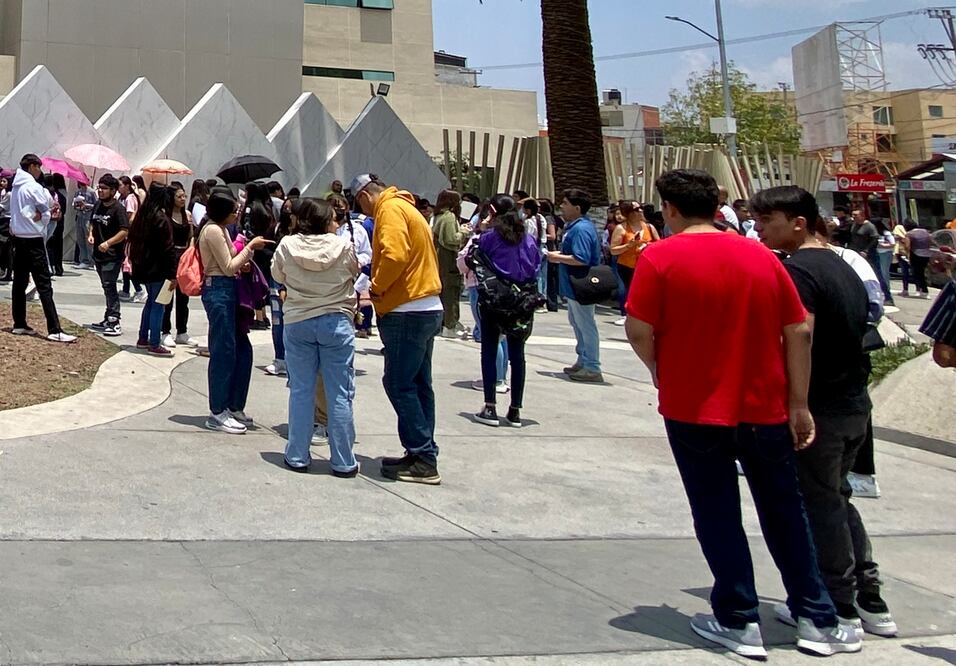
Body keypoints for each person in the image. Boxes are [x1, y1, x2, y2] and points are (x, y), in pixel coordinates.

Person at [625, 169, 857, 658]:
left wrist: (658, 369)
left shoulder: (660, 257)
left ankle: (738, 617)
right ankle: (815, 614)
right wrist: (798, 402)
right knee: (785, 509)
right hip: (765, 406)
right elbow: (798, 331)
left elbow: (638, 327)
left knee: (716, 511)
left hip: (694, 405)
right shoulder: (762, 256)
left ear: (668, 209)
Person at [753, 185, 898, 640]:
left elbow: (800, 336)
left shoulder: (799, 271)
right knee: (836, 498)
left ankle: (838, 609)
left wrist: (797, 404)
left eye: (768, 221)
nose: (759, 229)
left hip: (822, 407)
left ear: (798, 222)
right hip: (854, 404)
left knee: (819, 506)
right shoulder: (844, 262)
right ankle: (867, 596)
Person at [351, 173, 442, 485]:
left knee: (398, 383)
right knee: (418, 384)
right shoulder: (406, 207)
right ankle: (421, 451)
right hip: (426, 305)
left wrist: (376, 287)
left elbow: (394, 254)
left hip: (405, 308)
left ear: (365, 195)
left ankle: (423, 456)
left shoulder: (388, 209)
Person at [271, 197, 360, 477]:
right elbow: (354, 272)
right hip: (336, 320)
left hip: (298, 320)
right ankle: (343, 460)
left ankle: (297, 454)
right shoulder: (343, 245)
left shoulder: (287, 244)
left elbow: (277, 274)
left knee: (301, 390)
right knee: (339, 393)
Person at [198, 188, 273, 434]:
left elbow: (232, 259)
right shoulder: (212, 231)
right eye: (233, 211)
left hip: (228, 290)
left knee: (240, 349)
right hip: (219, 289)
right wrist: (249, 248)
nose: (236, 214)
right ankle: (217, 410)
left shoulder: (221, 230)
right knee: (223, 350)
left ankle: (232, 404)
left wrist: (244, 250)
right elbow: (229, 266)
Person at [470, 194, 541, 428]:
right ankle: (515, 410)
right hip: (522, 301)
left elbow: (473, 259)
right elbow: (535, 266)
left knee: (489, 350)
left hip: (495, 300)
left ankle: (490, 406)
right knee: (517, 355)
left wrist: (480, 230)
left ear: (492, 211)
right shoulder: (528, 239)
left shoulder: (489, 237)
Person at [9, 154, 75, 342]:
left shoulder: (15, 188)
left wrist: (40, 214)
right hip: (33, 239)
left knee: (19, 283)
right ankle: (54, 329)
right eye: (38, 167)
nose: (40, 171)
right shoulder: (32, 187)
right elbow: (47, 207)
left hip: (19, 238)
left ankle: (19, 322)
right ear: (31, 167)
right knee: (44, 284)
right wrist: (43, 215)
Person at [547, 188, 603, 383]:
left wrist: (556, 257)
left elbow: (581, 258)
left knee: (585, 324)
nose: (562, 207)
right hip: (573, 285)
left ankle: (592, 365)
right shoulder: (577, 226)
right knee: (578, 323)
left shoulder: (580, 229)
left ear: (577, 208)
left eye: (565, 203)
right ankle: (583, 359)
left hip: (581, 285)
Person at [128, 184, 178, 356]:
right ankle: (155, 343)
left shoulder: (143, 216)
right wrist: (173, 274)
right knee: (159, 306)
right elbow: (168, 249)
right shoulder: (162, 219)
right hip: (159, 269)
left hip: (144, 267)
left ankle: (143, 337)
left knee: (150, 303)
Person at [87, 175, 130, 337]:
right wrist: (90, 234)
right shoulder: (98, 205)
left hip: (113, 255)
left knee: (110, 285)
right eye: (99, 187)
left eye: (104, 188)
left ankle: (114, 321)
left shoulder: (118, 209)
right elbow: (92, 222)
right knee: (106, 286)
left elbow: (124, 231)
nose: (100, 191)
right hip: (98, 254)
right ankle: (107, 318)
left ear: (113, 191)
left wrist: (108, 243)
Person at [609, 200, 659, 326]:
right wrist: (629, 245)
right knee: (626, 290)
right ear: (629, 213)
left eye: (641, 208)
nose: (641, 211)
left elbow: (659, 244)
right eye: (637, 209)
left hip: (645, 266)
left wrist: (648, 245)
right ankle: (626, 314)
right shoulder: (621, 228)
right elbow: (613, 250)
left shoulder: (649, 227)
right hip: (627, 265)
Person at [161, 183, 197, 348]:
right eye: (179, 196)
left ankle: (182, 331)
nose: (183, 199)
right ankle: (165, 331)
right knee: (167, 297)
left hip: (184, 257)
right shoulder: (164, 214)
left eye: (184, 196)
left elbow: (191, 235)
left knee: (184, 297)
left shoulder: (187, 215)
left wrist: (190, 249)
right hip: (169, 257)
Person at [432, 189, 469, 338]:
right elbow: (451, 239)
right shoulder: (449, 217)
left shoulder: (439, 216)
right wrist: (464, 232)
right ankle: (450, 325)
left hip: (440, 261)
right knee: (450, 293)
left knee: (444, 292)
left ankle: (443, 324)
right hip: (448, 260)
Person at [118, 176, 146, 303]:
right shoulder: (127, 198)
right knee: (125, 265)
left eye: (120, 185)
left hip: (129, 235)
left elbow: (129, 216)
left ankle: (138, 289)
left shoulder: (130, 199)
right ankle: (125, 289)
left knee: (127, 264)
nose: (119, 188)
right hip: (129, 234)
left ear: (127, 185)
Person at [901, 221, 932, 299]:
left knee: (918, 273)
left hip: (916, 254)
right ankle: (923, 290)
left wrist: (907, 255)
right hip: (927, 254)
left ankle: (924, 291)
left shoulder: (909, 234)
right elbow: (931, 241)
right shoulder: (925, 231)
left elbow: (907, 246)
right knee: (922, 272)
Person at [45, 173, 66, 276]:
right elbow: (64, 210)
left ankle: (50, 267)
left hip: (49, 222)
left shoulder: (47, 194)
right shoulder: (61, 195)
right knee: (58, 246)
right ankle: (58, 268)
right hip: (60, 222)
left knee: (48, 245)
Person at [72, 180, 96, 269]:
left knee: (88, 239)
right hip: (79, 215)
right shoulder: (78, 192)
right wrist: (77, 205)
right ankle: (84, 260)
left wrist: (86, 205)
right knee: (80, 239)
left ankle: (92, 260)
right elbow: (74, 204)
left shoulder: (91, 192)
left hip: (88, 217)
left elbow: (96, 205)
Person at [871, 218, 896, 307]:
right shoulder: (875, 233)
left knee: (884, 272)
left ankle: (887, 291)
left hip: (886, 253)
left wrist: (883, 245)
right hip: (878, 253)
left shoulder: (886, 233)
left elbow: (893, 243)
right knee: (879, 273)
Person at [0, 174, 11, 282]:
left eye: (4, 181)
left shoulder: (9, 194)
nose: (1, 183)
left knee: (5, 248)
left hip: (5, 222)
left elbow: (1, 207)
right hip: (9, 222)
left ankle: (6, 271)